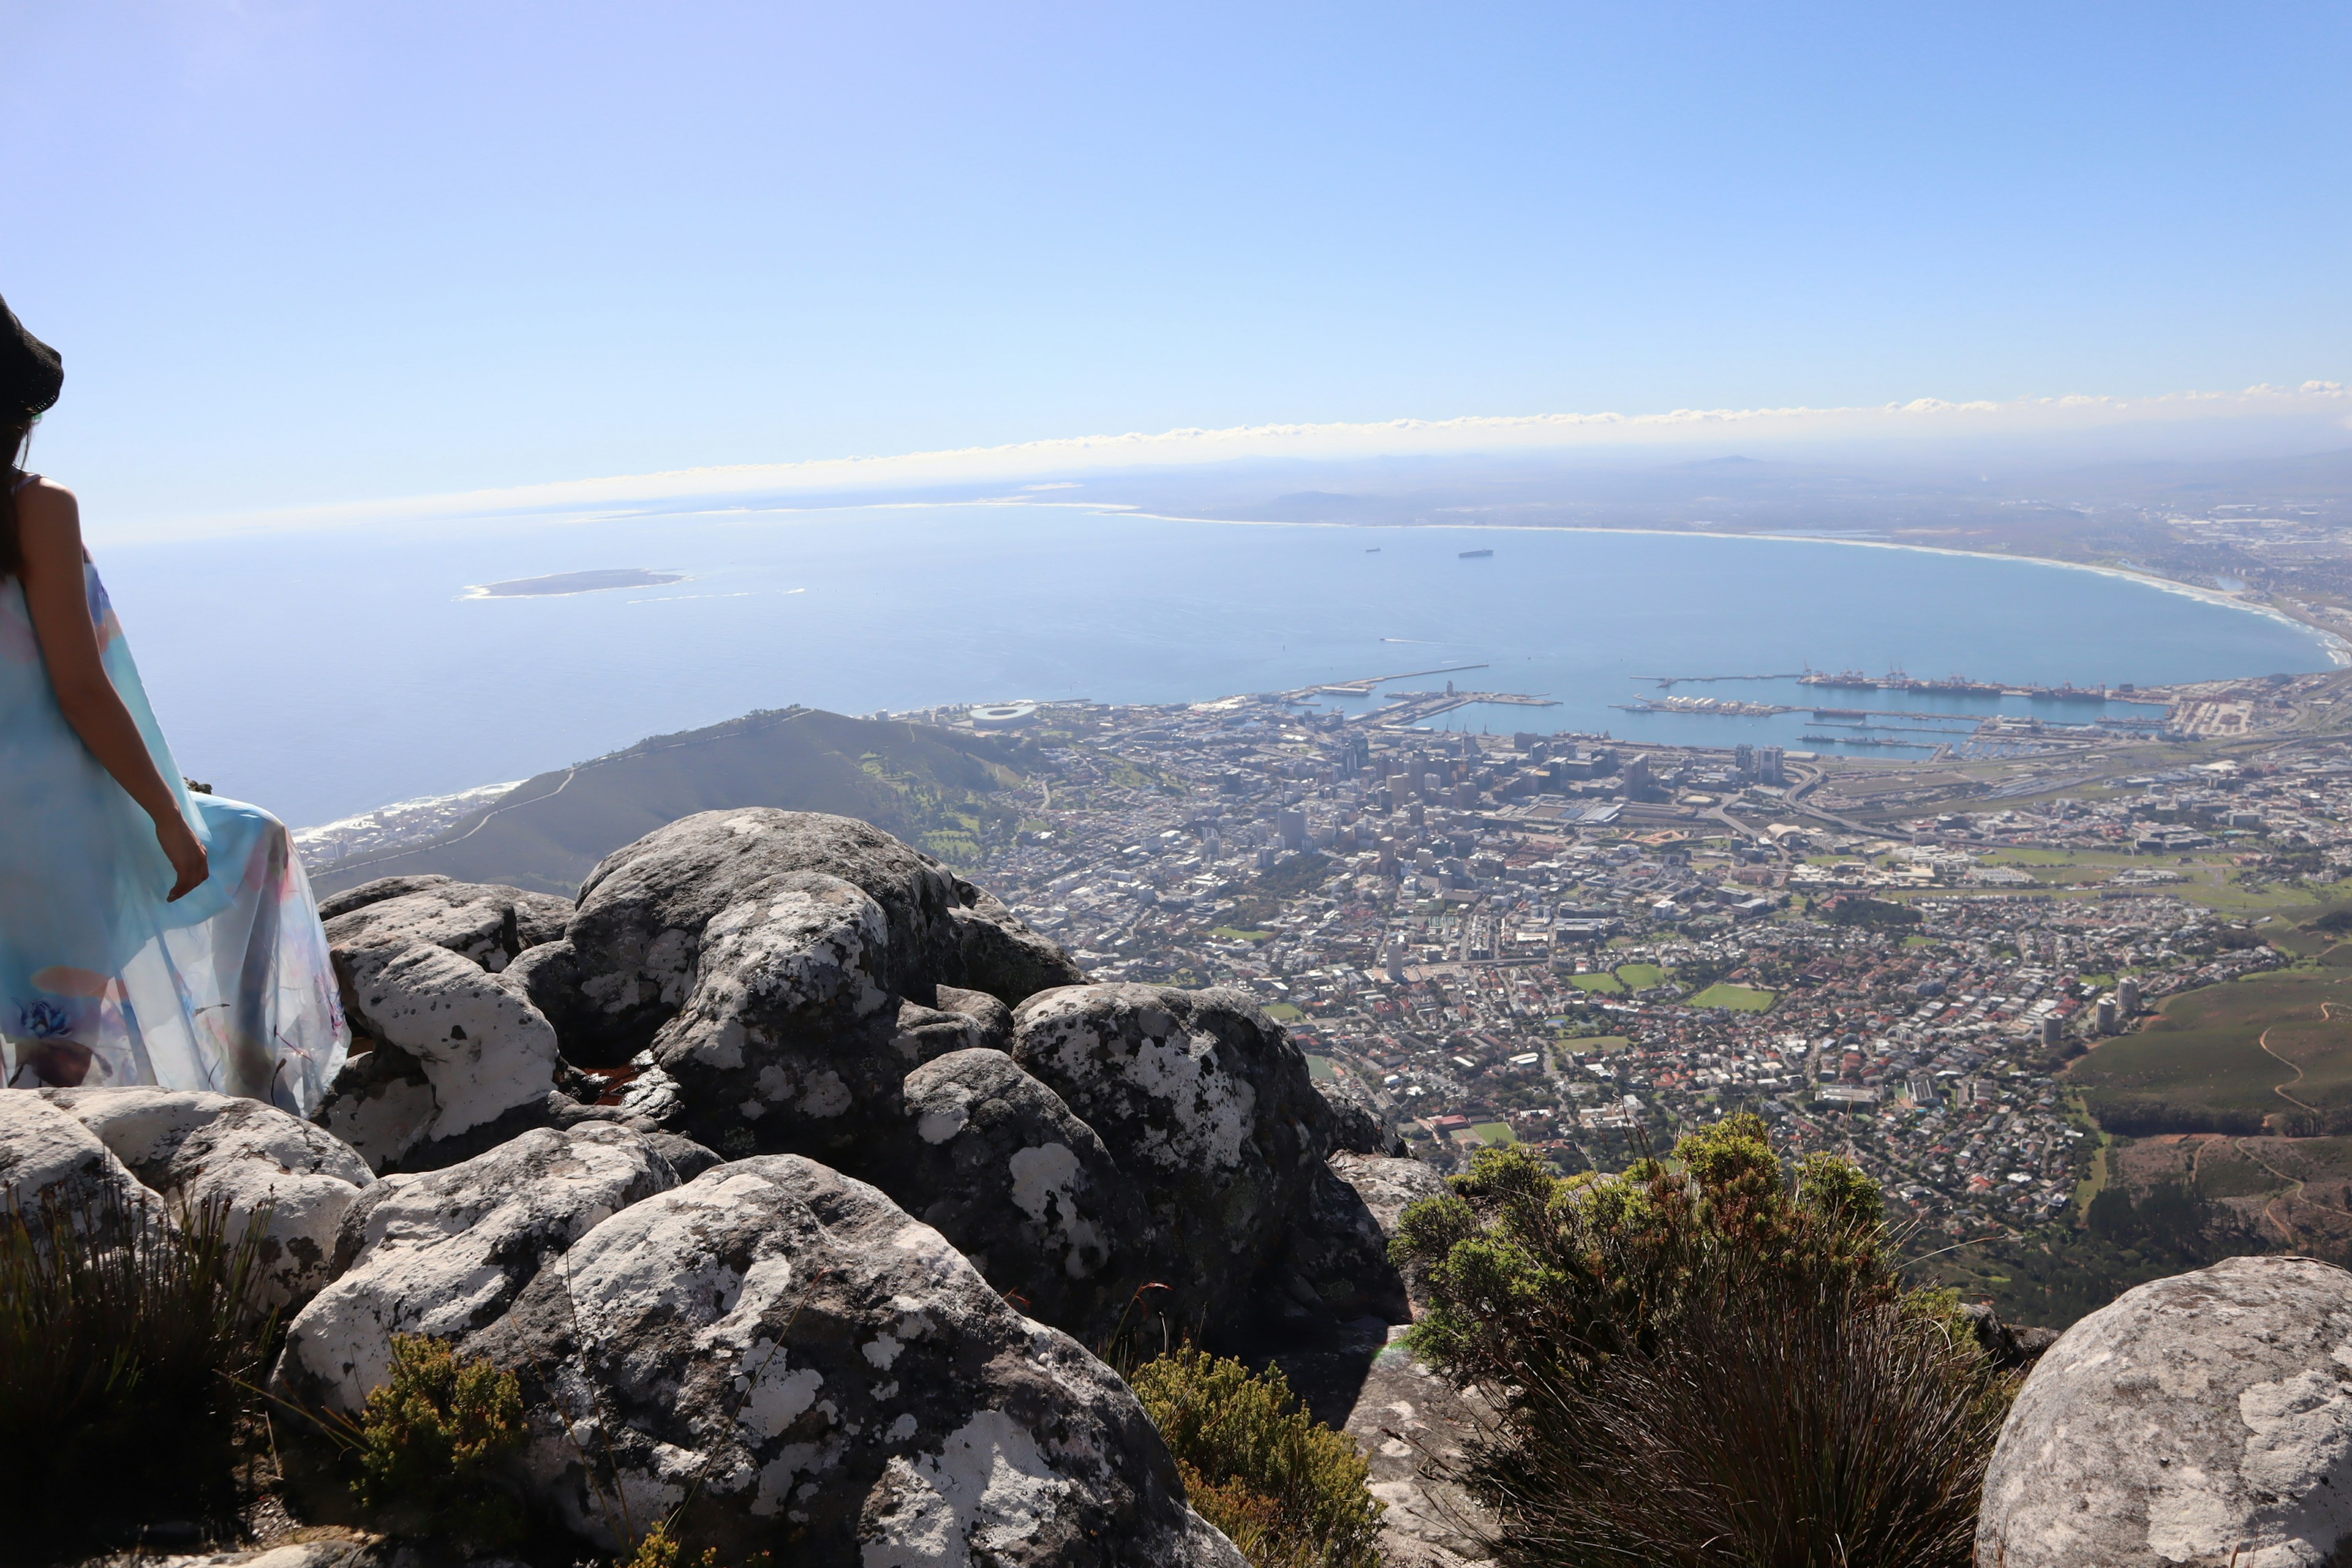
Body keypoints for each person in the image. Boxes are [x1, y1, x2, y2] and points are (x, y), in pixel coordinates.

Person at [0, 293, 347, 1110]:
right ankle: (252, 1094)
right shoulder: (35, 509)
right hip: (56, 815)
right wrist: (163, 809)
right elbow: (81, 690)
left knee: (39, 1033)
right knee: (257, 845)